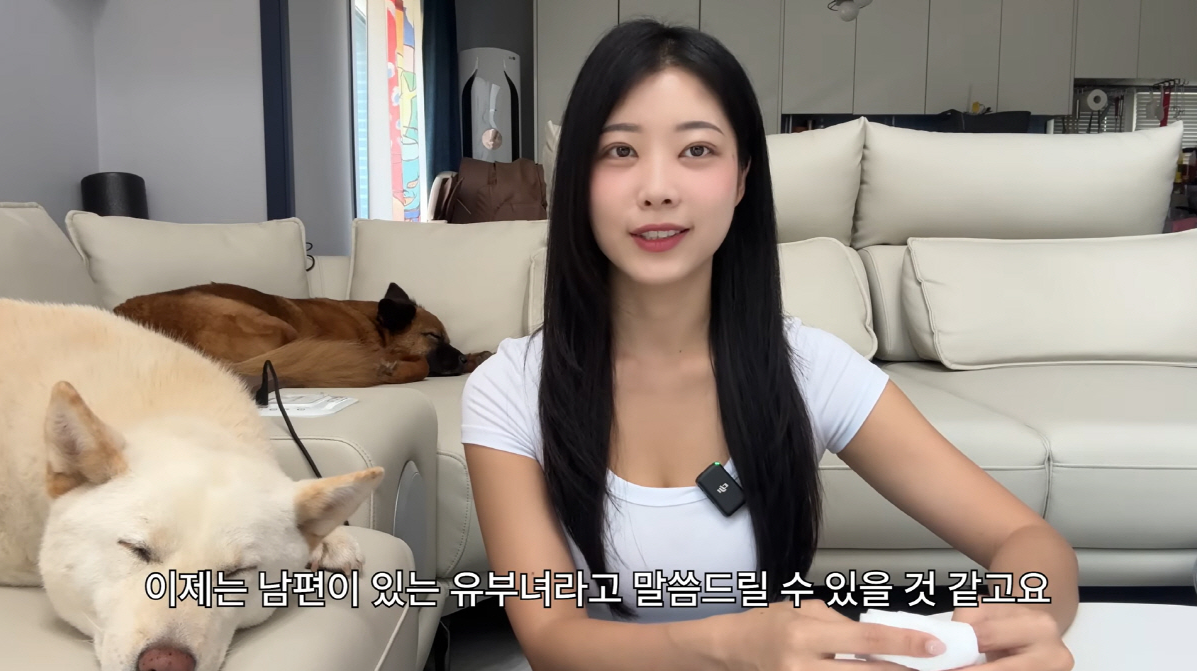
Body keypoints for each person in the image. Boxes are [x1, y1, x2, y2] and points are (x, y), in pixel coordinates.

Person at [461, 18, 1078, 670]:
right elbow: (552, 638)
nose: (658, 188)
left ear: (742, 178)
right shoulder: (510, 389)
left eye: (697, 150)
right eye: (620, 151)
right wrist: (729, 644)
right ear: (578, 181)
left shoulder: (810, 369)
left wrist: (1009, 625)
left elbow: (1028, 539)